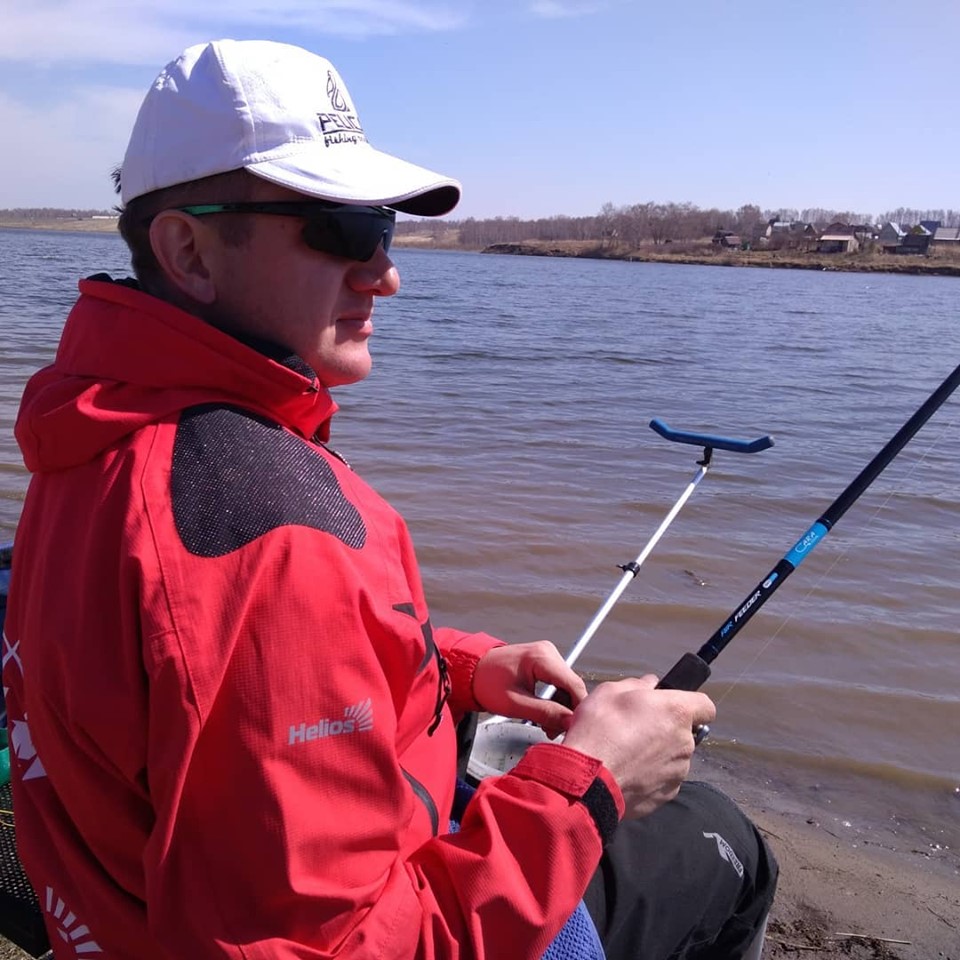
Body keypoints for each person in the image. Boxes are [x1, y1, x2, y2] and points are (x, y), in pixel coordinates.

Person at [3, 39, 776, 960]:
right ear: (188, 250)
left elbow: (192, 671)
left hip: (119, 911)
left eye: (385, 229)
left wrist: (446, 667)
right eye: (341, 231)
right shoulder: (270, 527)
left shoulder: (93, 424)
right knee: (730, 848)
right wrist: (592, 782)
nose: (385, 272)